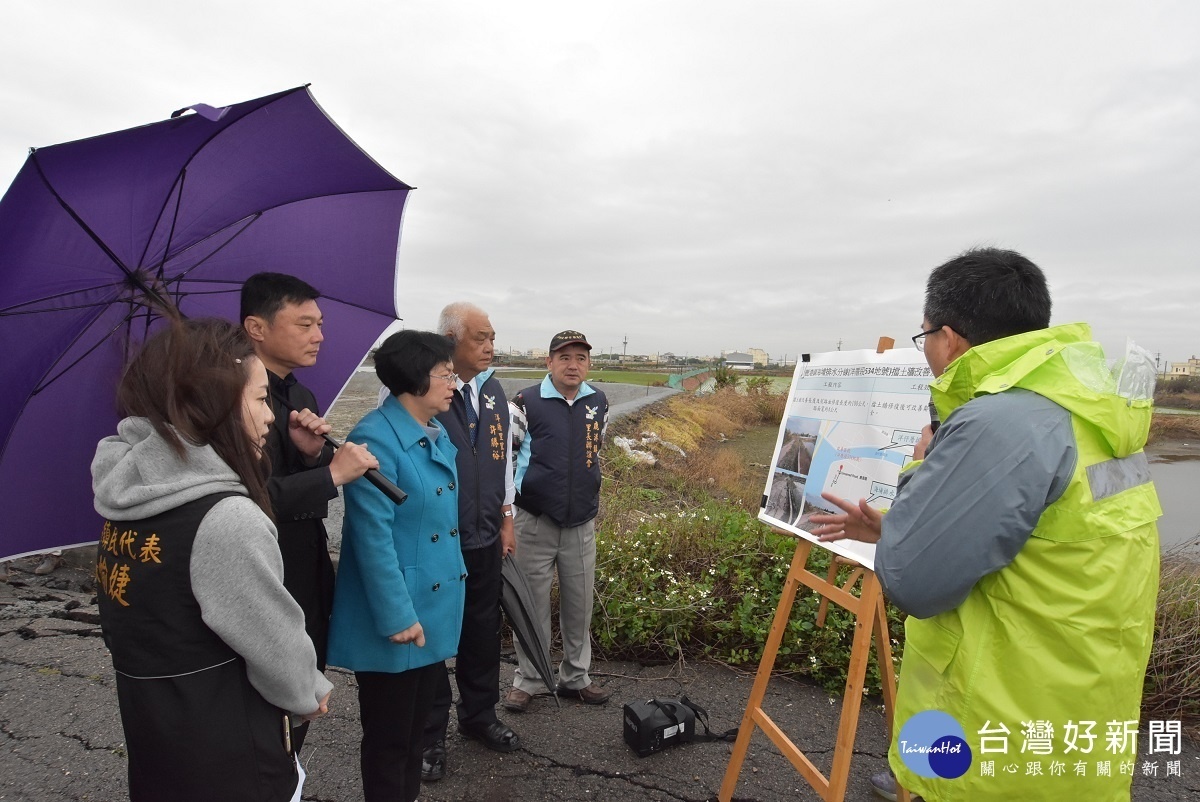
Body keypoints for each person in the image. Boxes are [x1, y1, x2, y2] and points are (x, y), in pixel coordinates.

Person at [810, 248, 1160, 801]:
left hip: (997, 719)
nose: (924, 347)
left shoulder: (999, 421)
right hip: (1078, 696)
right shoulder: (1089, 411)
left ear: (948, 338)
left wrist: (922, 475)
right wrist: (896, 527)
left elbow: (916, 582)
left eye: (922, 334)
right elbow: (1039, 534)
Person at [93, 318, 333, 802]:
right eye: (262, 399)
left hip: (156, 739)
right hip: (232, 758)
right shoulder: (225, 518)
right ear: (214, 404)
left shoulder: (127, 503)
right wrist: (309, 691)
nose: (269, 418)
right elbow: (277, 648)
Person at [326, 330, 468, 802]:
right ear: (413, 378)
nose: (453, 383)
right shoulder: (374, 438)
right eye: (444, 374)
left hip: (429, 605)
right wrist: (398, 616)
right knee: (390, 741)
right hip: (401, 613)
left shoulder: (432, 430)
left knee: (415, 736)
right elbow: (371, 541)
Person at [240, 273, 376, 750]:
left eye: (319, 323)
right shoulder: (228, 399)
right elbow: (239, 499)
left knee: (306, 677)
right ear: (256, 328)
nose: (319, 335)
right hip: (260, 564)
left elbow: (295, 480)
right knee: (265, 695)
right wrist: (330, 474)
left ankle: (289, 772)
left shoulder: (300, 396)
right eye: (304, 324)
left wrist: (313, 456)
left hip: (306, 554)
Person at [420, 303, 519, 782]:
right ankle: (429, 734)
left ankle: (479, 715)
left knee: (482, 629)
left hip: (483, 533)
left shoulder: (494, 391)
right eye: (480, 338)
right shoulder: (422, 386)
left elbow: (501, 460)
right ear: (450, 340)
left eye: (492, 337)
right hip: (440, 536)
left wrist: (506, 516)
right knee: (435, 636)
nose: (489, 347)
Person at [503, 330, 611, 713]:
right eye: (564, 357)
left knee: (579, 606)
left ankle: (575, 677)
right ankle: (529, 679)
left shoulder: (598, 401)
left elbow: (594, 450)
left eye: (580, 357)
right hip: (534, 520)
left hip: (580, 522)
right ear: (548, 362)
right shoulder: (525, 402)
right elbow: (508, 461)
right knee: (531, 604)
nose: (573, 364)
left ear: (588, 364)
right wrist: (509, 514)